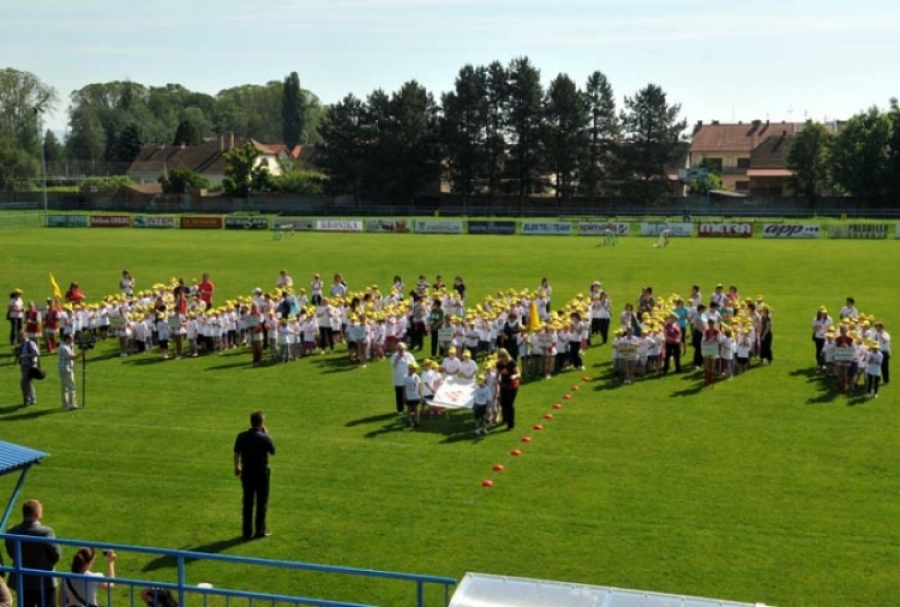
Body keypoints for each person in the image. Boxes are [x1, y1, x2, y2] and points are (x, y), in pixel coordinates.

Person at [4, 499, 61, 607]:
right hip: (45, 581)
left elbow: (11, 553)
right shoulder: (46, 532)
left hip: (23, 580)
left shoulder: (12, 532)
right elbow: (56, 554)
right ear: (37, 514)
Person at [233, 411, 275, 540]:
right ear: (261, 423)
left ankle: (247, 532)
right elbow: (273, 451)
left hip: (247, 471)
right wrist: (267, 435)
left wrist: (237, 466)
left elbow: (236, 453)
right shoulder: (263, 437)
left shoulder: (242, 436)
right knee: (262, 501)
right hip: (261, 472)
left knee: (248, 501)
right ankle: (260, 530)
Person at [495, 348, 520, 430]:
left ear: (506, 355)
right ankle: (505, 419)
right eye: (500, 356)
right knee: (503, 403)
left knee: (510, 405)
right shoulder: (499, 364)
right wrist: (496, 381)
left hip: (512, 386)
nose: (502, 358)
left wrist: (514, 376)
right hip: (504, 385)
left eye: (503, 356)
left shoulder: (511, 363)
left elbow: (518, 373)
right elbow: (497, 373)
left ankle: (511, 424)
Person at [390, 343, 415, 415]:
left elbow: (414, 365)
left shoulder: (409, 355)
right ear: (397, 350)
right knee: (399, 395)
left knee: (410, 394)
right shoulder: (394, 356)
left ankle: (412, 410)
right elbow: (393, 366)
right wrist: (398, 358)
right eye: (399, 350)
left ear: (405, 349)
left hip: (408, 378)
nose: (401, 351)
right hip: (398, 379)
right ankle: (400, 410)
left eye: (402, 349)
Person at [17, 332, 39, 407]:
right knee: (29, 383)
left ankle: (27, 400)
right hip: (24, 366)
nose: (20, 338)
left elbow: (36, 354)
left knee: (24, 383)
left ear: (25, 336)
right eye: (19, 337)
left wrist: (24, 356)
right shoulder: (23, 345)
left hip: (30, 366)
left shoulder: (30, 343)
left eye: (21, 336)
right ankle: (33, 399)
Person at [58, 334, 77, 410]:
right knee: (71, 387)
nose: (72, 341)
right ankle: (72, 404)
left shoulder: (65, 346)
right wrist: (81, 354)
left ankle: (65, 404)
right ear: (66, 339)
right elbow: (72, 357)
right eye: (71, 339)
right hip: (67, 369)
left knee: (64, 387)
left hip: (63, 369)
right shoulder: (64, 348)